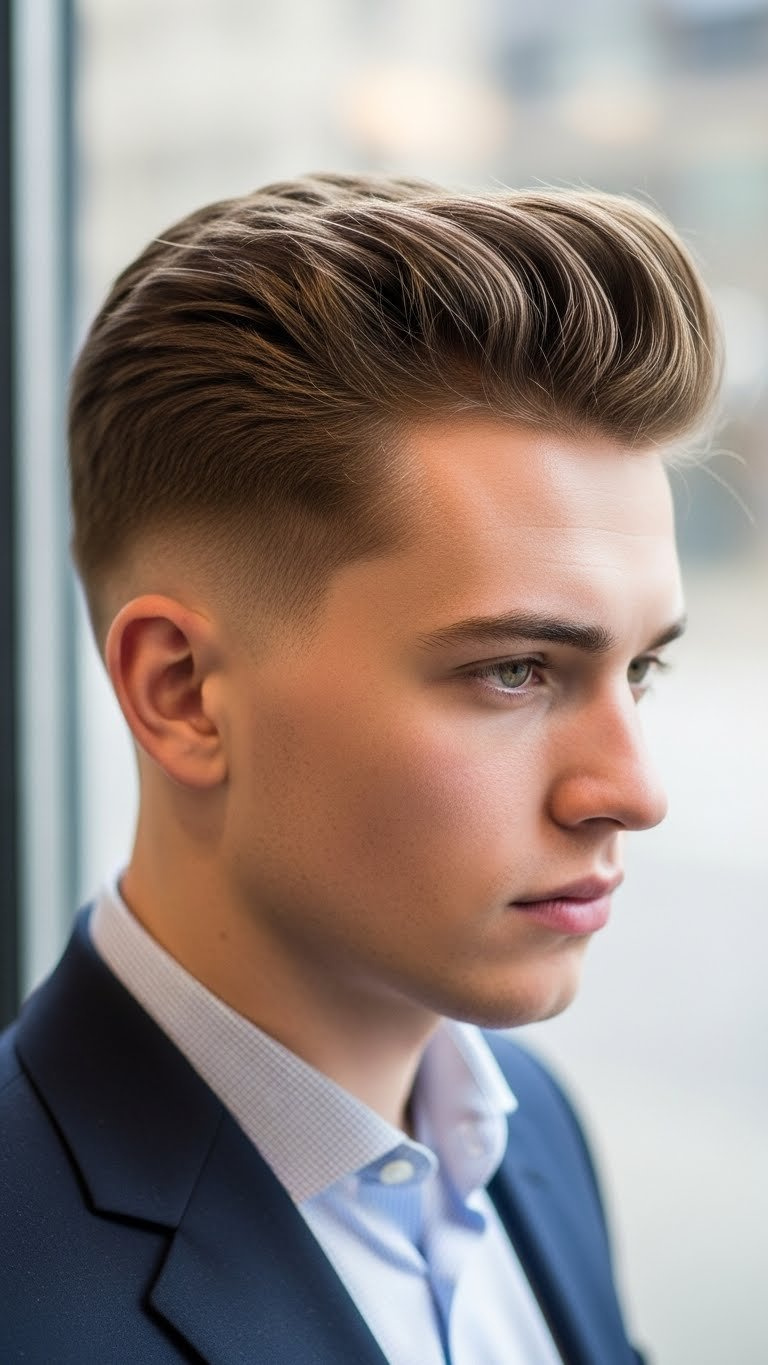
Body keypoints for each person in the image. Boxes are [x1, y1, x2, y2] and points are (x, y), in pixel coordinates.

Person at [0, 174, 719, 1364]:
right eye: (515, 672)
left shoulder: (528, 1131)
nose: (633, 792)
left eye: (641, 670)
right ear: (181, 694)